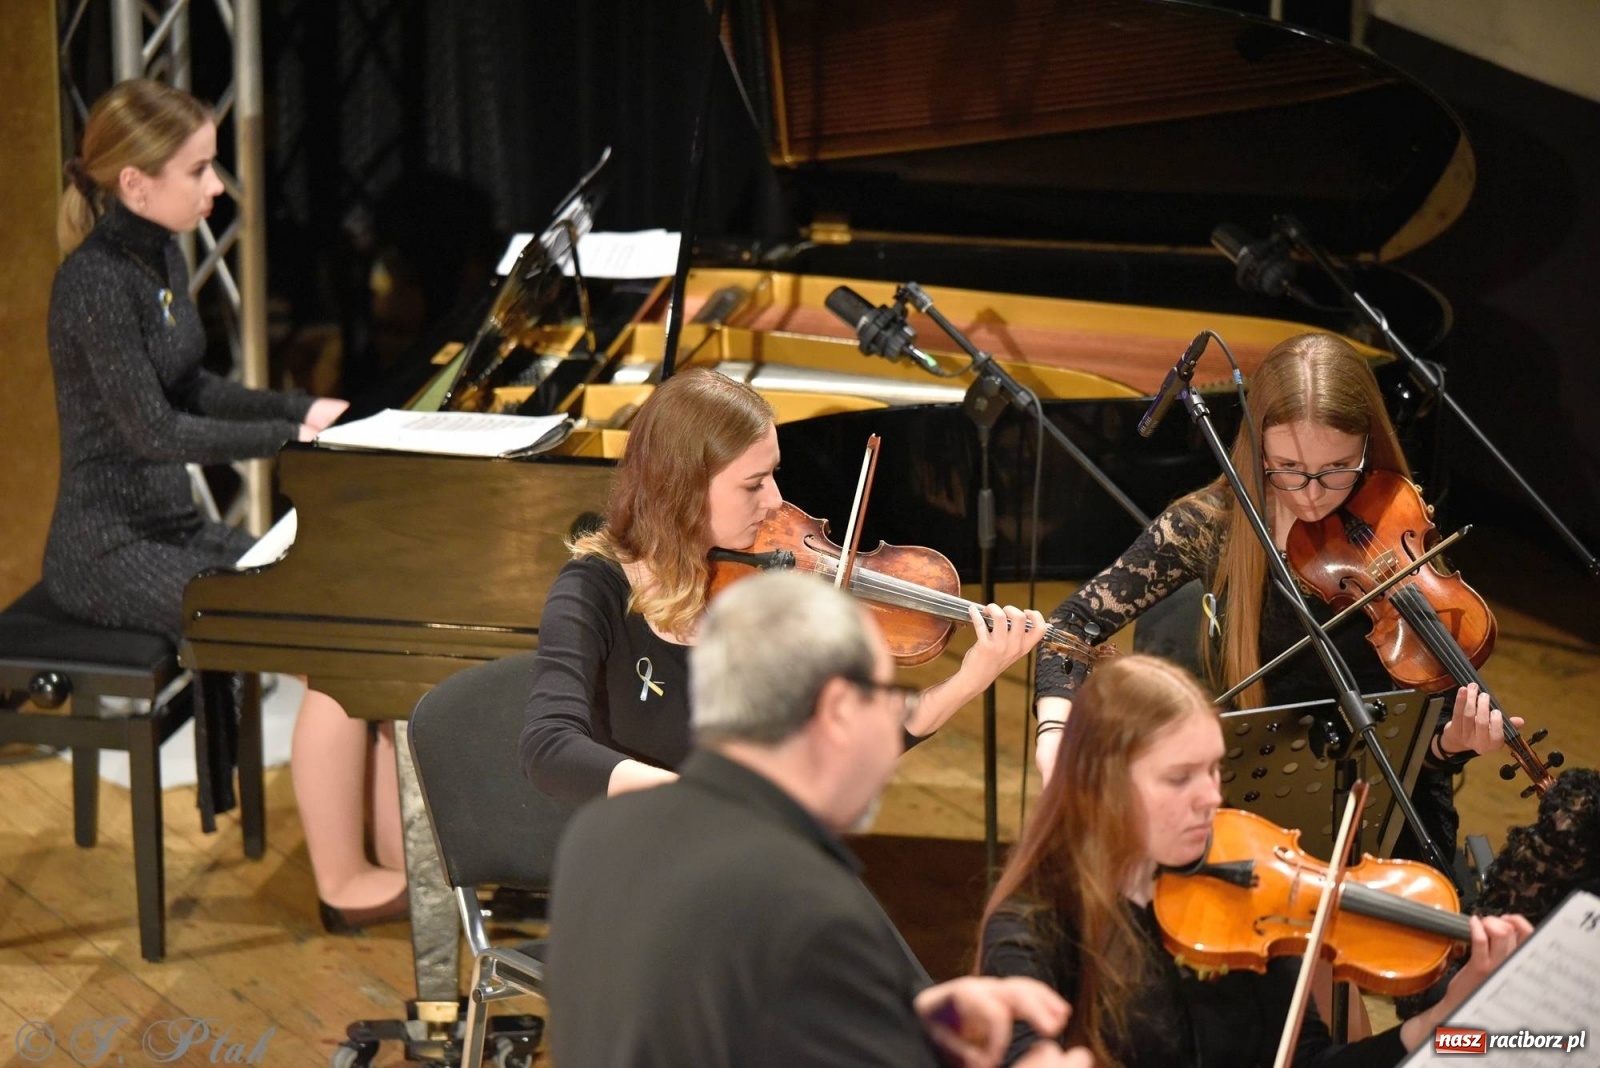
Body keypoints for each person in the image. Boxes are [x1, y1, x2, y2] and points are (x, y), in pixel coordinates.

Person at [45, 79, 404, 930]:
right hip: (106, 548)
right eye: (200, 169)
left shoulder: (161, 252)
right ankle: (345, 885)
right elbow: (153, 431)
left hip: (170, 525)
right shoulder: (93, 283)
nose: (218, 187)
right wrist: (290, 445)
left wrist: (296, 410)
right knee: (318, 647)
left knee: (351, 623)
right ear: (136, 184)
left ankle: (395, 852)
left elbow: (192, 383)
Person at [547, 570, 1093, 1067]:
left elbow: (796, 1027)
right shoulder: (801, 900)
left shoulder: (598, 836)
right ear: (835, 711)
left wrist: (938, 1018)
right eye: (887, 696)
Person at [1033, 332, 1516, 865]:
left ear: (1367, 446)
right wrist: (1054, 736)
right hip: (1260, 807)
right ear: (1257, 447)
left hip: (1391, 814)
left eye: (1336, 468)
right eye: (1287, 467)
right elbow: (1070, 627)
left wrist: (1450, 744)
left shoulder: (1392, 516)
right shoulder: (1207, 526)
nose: (1310, 492)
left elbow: (1429, 743)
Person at [520, 366, 1048, 801]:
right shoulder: (594, 590)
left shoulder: (755, 592)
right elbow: (549, 748)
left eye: (772, 475)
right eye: (753, 483)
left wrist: (967, 681)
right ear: (679, 488)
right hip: (647, 863)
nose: (774, 500)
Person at [980, 654, 1532, 1068]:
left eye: (1213, 770)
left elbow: (1308, 1059)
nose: (1210, 798)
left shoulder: (1252, 886)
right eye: (1179, 777)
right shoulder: (1033, 926)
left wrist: (1437, 1024)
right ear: (1099, 786)